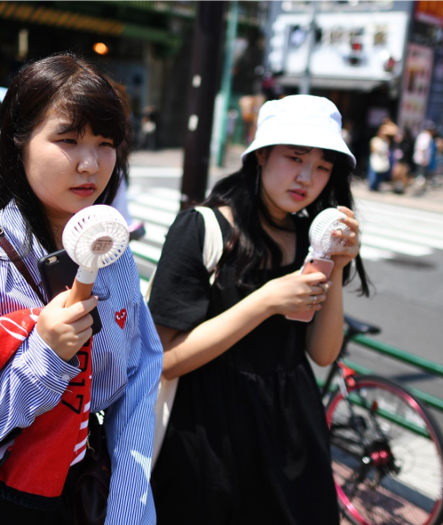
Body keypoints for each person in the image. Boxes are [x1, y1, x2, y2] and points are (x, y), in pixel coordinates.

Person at [0, 54, 163, 524]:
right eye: (68, 139)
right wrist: (42, 358)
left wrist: (129, 508)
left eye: (105, 143)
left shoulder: (114, 259)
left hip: (79, 483)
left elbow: (136, 381)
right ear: (18, 143)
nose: (90, 163)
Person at [148, 94, 370, 524]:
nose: (307, 177)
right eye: (295, 158)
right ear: (262, 154)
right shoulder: (204, 228)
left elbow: (323, 354)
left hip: (292, 432)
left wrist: (337, 266)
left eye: (323, 166)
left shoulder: (312, 235)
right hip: (208, 433)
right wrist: (265, 302)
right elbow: (166, 359)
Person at [368, 122, 394, 191]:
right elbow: (373, 149)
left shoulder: (386, 142)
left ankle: (376, 187)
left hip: (383, 161)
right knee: (373, 175)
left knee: (380, 175)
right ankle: (372, 187)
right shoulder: (375, 140)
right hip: (376, 159)